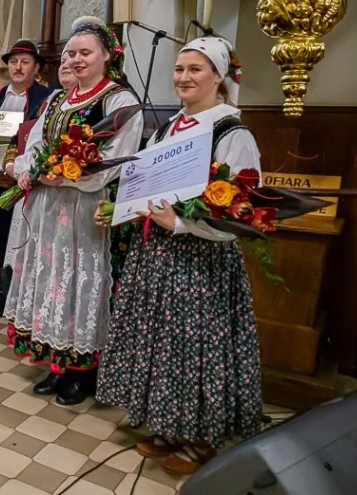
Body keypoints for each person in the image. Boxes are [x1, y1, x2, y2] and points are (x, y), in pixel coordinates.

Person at [96, 37, 261, 476]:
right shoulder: (172, 126)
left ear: (219, 77)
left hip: (201, 258)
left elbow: (241, 208)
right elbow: (148, 179)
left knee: (196, 345)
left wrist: (184, 224)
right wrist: (121, 210)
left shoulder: (232, 132)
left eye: (195, 69)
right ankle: (170, 423)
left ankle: (202, 437)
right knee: (163, 341)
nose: (183, 77)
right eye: (179, 69)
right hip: (159, 252)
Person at [5, 17, 143, 405]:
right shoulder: (57, 99)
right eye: (71, 53)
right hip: (50, 206)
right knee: (53, 280)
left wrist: (61, 177)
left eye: (86, 53)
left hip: (88, 207)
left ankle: (86, 370)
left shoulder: (119, 100)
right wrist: (33, 170)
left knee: (84, 281)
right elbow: (35, 144)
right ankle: (58, 362)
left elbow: (114, 160)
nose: (77, 59)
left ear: (106, 56)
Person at [0, 40, 51, 321]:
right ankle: (1, 296)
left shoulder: (47, 98)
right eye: (13, 62)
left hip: (28, 181)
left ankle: (24, 298)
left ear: (36, 68)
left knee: (25, 240)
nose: (18, 67)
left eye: (25, 62)